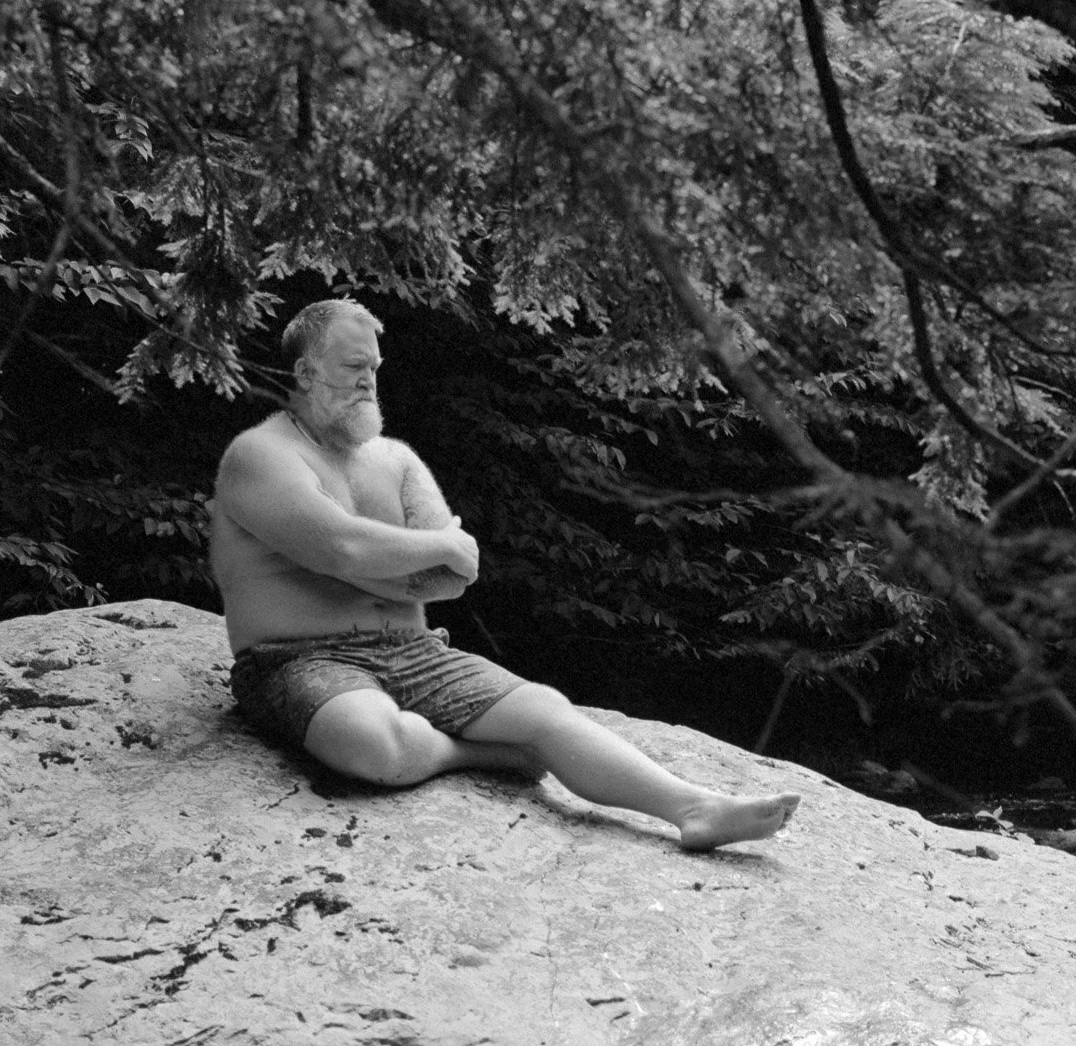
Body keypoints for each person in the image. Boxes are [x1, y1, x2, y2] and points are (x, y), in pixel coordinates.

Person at [209, 299, 801, 851]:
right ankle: (474, 753)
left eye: (375, 366)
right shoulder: (260, 454)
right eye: (353, 365)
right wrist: (434, 543)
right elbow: (343, 545)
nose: (369, 379)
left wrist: (397, 560)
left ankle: (694, 808)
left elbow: (451, 578)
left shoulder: (396, 459)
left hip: (414, 652)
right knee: (370, 743)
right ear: (306, 372)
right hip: (299, 658)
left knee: (547, 710)